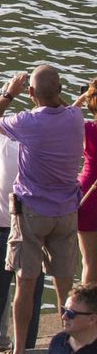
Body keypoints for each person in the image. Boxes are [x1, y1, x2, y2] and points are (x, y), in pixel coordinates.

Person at [0, 66, 85, 354]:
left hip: (32, 212)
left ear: (31, 95)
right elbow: (61, 104)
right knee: (65, 286)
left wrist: (8, 93)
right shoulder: (75, 117)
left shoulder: (28, 121)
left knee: (25, 285)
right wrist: (48, 93)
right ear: (60, 91)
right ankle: (71, 346)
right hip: (66, 212)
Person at [0, 85, 47, 354]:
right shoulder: (42, 145)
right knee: (30, 297)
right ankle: (27, 353)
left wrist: (9, 93)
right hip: (33, 230)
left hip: (2, 230)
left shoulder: (2, 141)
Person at [75, 82, 97, 283]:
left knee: (89, 261)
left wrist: (82, 99)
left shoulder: (87, 129)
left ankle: (88, 310)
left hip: (88, 192)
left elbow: (68, 116)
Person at [47, 282, 97, 354]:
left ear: (92, 319)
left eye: (70, 313)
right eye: (64, 310)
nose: (64, 317)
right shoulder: (58, 341)